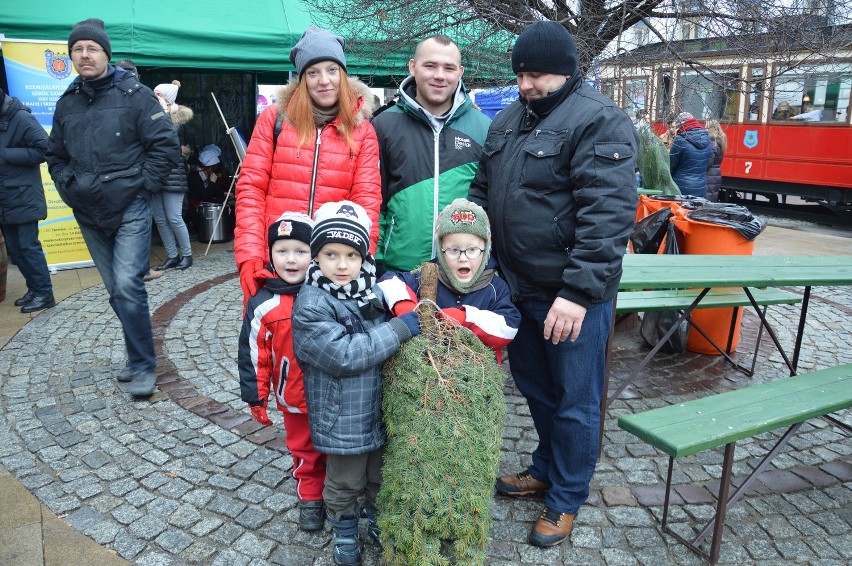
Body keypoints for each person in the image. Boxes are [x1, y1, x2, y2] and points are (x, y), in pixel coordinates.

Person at [468, 21, 638, 548]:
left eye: (537, 75)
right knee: (537, 390)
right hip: (518, 288)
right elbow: (484, 185)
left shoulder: (600, 121)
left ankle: (565, 496)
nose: (526, 85)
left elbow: (607, 217)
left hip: (569, 296)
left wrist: (579, 294)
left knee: (576, 401)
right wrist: (467, 233)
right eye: (520, 74)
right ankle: (544, 466)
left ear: (566, 70)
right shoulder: (512, 118)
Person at [46, 18, 180, 398]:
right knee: (116, 290)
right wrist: (67, 185)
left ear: (106, 54)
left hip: (130, 208)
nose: (84, 55)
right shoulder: (67, 102)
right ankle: (136, 355)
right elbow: (55, 154)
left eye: (92, 48)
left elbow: (165, 147)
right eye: (77, 49)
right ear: (71, 55)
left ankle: (142, 364)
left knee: (127, 284)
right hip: (87, 211)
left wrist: (141, 189)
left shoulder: (135, 96)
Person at [292, 201, 420, 566]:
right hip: (341, 414)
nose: (343, 264)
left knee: (378, 474)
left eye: (352, 255)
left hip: (375, 408)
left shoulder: (369, 291)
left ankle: (377, 517)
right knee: (345, 480)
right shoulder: (311, 304)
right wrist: (399, 330)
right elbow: (345, 355)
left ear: (364, 257)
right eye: (331, 254)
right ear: (316, 257)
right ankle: (345, 529)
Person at [235, 25, 381, 305]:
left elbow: (367, 203)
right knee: (270, 341)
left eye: (332, 70)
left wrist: (359, 256)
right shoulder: (275, 120)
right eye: (313, 72)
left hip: (332, 265)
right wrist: (250, 252)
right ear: (302, 79)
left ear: (343, 73)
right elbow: (251, 189)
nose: (324, 80)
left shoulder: (362, 130)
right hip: (278, 257)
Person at [238, 211, 328, 532]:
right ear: (270, 254)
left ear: (314, 254)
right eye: (282, 251)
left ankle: (340, 492)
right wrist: (256, 396)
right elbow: (253, 353)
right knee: (303, 449)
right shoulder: (262, 302)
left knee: (336, 445)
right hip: (293, 395)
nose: (291, 259)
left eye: (300, 251)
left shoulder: (327, 291)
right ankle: (310, 496)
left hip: (332, 393)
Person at [371, 34, 490, 274]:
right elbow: (374, 200)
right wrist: (377, 260)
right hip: (400, 270)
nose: (439, 75)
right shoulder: (384, 125)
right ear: (412, 67)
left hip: (463, 274)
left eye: (449, 68)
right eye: (430, 65)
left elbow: (492, 203)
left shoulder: (484, 127)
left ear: (460, 72)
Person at [377, 198, 519, 363]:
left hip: (475, 375)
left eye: (472, 250)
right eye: (453, 250)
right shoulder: (426, 276)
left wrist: (467, 319)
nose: (463, 258)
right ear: (441, 251)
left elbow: (509, 327)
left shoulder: (495, 287)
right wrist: (405, 305)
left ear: (486, 249)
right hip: (429, 371)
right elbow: (388, 281)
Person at [0, 87, 54, 313]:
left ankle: (45, 293)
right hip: (6, 196)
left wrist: (6, 154)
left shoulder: (21, 117)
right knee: (15, 248)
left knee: (28, 246)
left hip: (22, 195)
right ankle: (34, 288)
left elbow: (46, 149)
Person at [150, 80, 194, 271]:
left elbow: (164, 139)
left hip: (173, 175)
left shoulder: (176, 118)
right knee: (159, 218)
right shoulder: (154, 114)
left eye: (157, 94)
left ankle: (187, 255)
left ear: (166, 98)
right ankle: (172, 256)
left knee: (174, 217)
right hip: (155, 175)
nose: (153, 97)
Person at [668, 111, 713, 197]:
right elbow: (708, 164)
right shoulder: (708, 138)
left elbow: (671, 165)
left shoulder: (680, 139)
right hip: (701, 186)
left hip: (681, 187)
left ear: (682, 125)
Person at [704, 119, 727, 202]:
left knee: (707, 199)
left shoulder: (713, 143)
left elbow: (709, 161)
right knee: (712, 197)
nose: (704, 128)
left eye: (706, 126)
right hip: (716, 173)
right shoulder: (721, 141)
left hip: (709, 174)